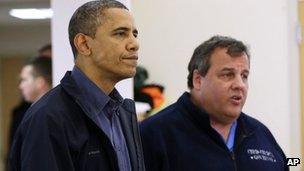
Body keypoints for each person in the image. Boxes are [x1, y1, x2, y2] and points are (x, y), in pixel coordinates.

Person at [8, 1, 145, 171]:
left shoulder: (123, 113)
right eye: (120, 33)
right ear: (84, 44)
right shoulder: (48, 117)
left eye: (134, 34)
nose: (134, 44)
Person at [140, 35, 288, 171]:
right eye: (227, 74)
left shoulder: (260, 134)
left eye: (244, 76)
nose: (240, 85)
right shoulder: (153, 135)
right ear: (198, 80)